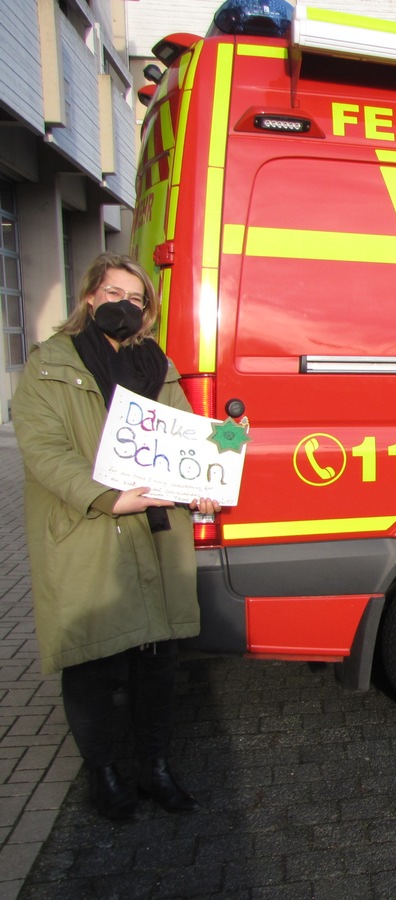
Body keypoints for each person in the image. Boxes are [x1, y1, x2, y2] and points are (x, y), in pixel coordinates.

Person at [13, 252, 220, 820]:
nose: (123, 307)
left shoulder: (156, 364)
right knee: (92, 665)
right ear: (89, 297)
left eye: (135, 299)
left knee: (157, 662)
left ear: (147, 311)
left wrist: (211, 472)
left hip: (154, 534)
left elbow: (185, 441)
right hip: (88, 532)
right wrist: (108, 496)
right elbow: (44, 452)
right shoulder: (48, 364)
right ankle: (103, 775)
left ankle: (154, 768)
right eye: (112, 294)